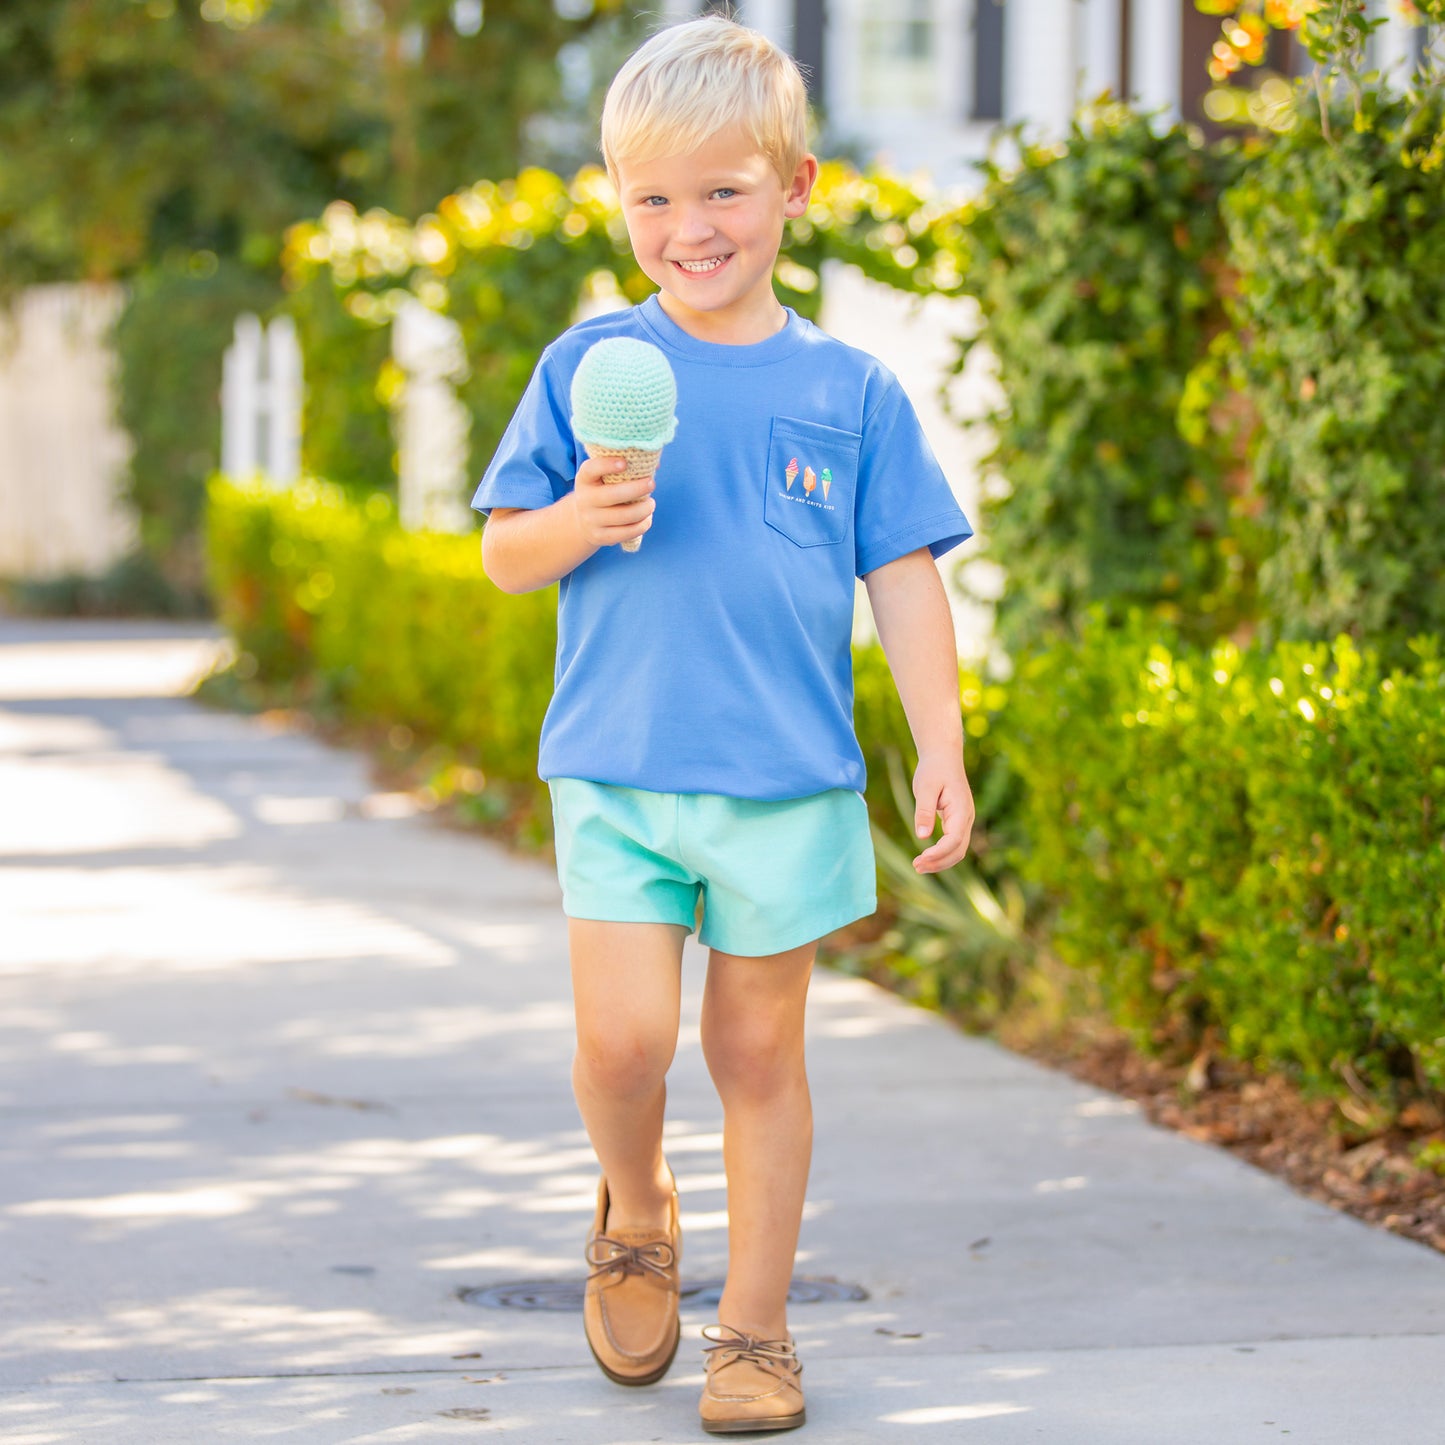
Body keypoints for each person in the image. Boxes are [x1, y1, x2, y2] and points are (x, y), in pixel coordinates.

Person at [474, 15, 975, 1435]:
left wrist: (939, 745)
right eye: (652, 198)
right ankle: (636, 1206)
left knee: (758, 1056)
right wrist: (578, 518)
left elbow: (904, 576)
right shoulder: (588, 365)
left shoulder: (848, 390)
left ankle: (754, 1330)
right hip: (619, 770)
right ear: (617, 201)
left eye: (722, 191)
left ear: (796, 187)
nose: (687, 228)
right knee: (626, 1044)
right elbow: (506, 551)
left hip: (787, 782)